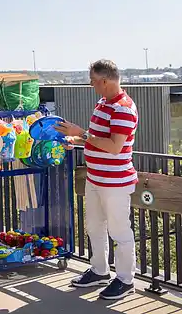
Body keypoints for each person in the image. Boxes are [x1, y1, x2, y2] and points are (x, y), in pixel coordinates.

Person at [54, 59, 138, 300]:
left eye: (92, 81)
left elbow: (114, 147)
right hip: (96, 178)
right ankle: (100, 271)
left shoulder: (123, 107)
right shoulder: (103, 103)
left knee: (120, 231)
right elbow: (95, 138)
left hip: (115, 183)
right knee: (94, 227)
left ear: (104, 80)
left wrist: (80, 133)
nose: (91, 85)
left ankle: (125, 279)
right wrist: (75, 142)